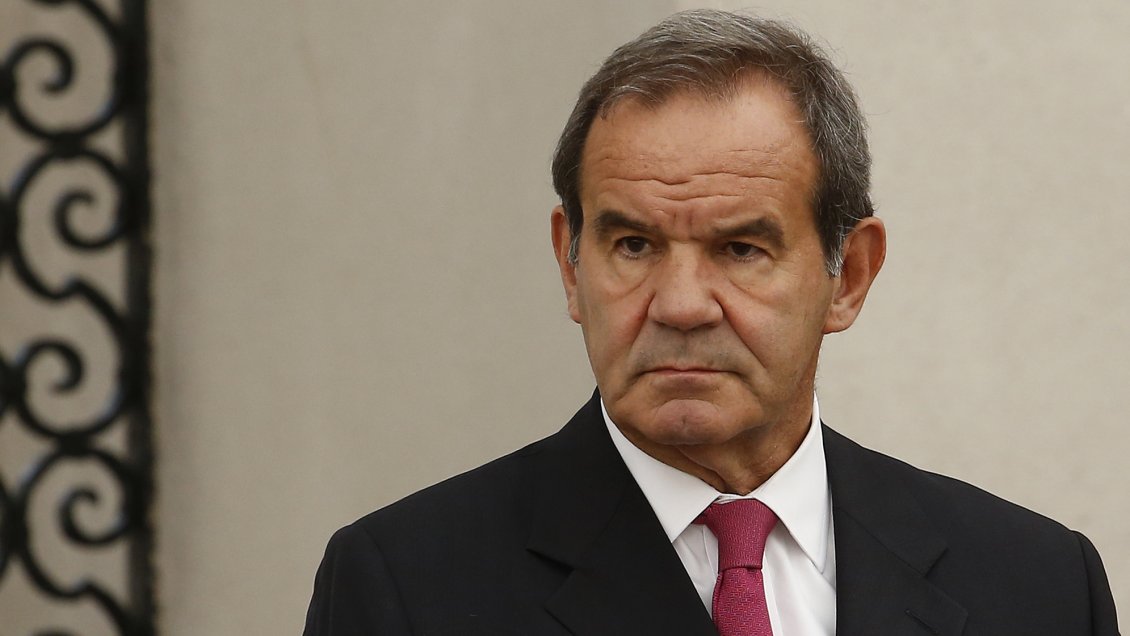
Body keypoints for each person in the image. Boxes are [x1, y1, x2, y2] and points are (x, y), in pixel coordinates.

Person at [303, 9, 1119, 635]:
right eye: (633, 245)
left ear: (849, 276)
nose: (681, 305)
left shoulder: (1037, 585)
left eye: (739, 249)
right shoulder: (408, 588)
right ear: (571, 265)